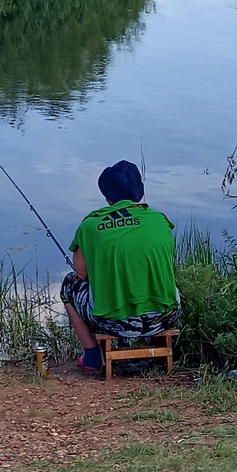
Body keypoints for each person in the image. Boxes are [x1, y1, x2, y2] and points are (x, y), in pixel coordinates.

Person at [62, 159, 180, 372]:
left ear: (106, 195)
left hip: (111, 322)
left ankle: (92, 358)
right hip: (164, 317)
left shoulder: (91, 225)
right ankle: (156, 351)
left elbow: (81, 272)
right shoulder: (160, 220)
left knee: (69, 284)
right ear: (140, 190)